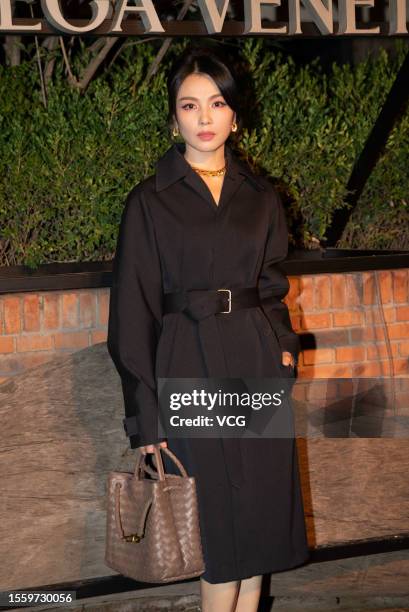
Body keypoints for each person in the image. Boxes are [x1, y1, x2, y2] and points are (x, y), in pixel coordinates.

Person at [107, 45, 310, 612]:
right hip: (188, 367)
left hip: (256, 368)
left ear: (235, 116)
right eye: (190, 105)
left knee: (260, 533)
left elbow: (271, 287)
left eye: (217, 104)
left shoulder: (262, 197)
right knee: (219, 536)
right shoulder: (149, 203)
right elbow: (131, 316)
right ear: (174, 118)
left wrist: (284, 352)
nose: (203, 118)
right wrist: (145, 419)